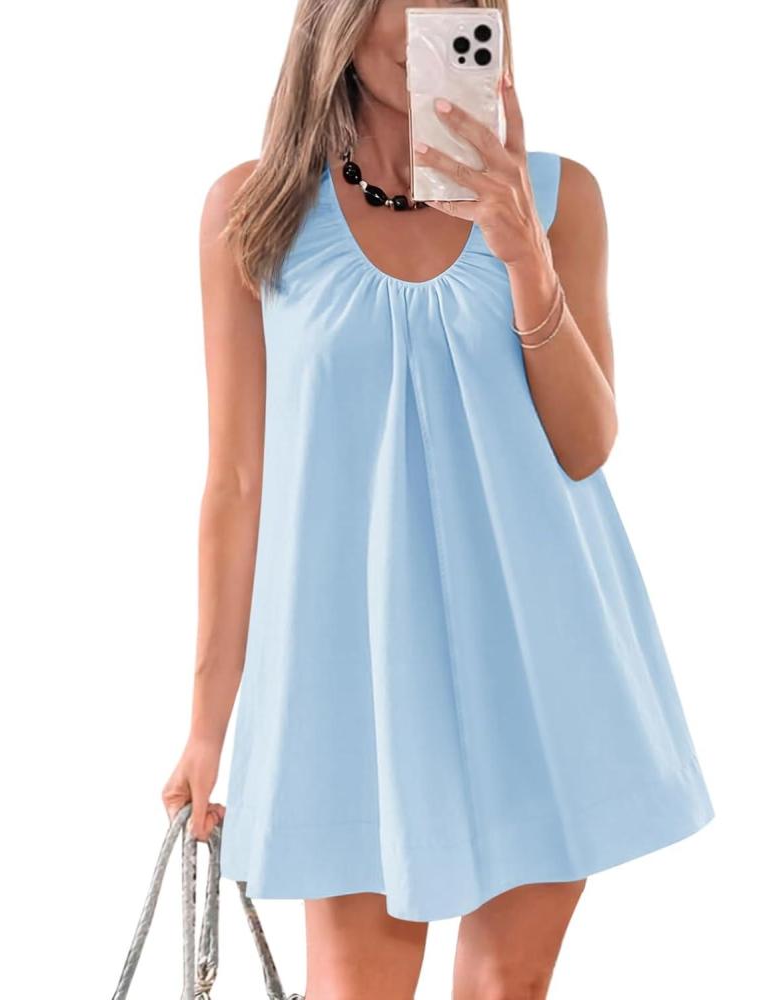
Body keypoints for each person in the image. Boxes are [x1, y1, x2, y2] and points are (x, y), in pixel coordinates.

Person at [161, 2, 715, 997]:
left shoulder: (560, 199)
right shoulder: (253, 212)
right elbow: (237, 484)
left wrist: (523, 251)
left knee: (508, 986)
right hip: (349, 679)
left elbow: (587, 446)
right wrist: (207, 725)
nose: (434, 20)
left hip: (538, 656)